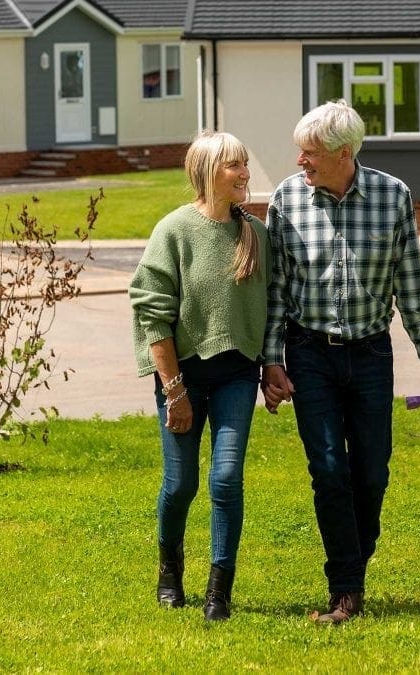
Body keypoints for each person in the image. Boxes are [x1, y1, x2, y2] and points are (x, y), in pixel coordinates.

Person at [261, 99, 420, 625]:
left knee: (371, 473)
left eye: (311, 153)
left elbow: (410, 283)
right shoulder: (286, 200)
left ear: (343, 153)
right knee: (328, 470)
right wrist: (271, 360)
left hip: (371, 352)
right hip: (308, 352)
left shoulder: (394, 198)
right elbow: (276, 288)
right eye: (300, 152)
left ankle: (354, 566)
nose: (301, 161)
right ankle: (345, 586)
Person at [129, 131, 270, 622]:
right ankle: (169, 571)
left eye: (245, 163)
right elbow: (151, 314)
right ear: (208, 171)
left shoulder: (256, 234)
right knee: (180, 484)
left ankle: (219, 591)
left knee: (227, 479)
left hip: (236, 377)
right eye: (235, 164)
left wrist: (271, 367)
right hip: (181, 379)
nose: (245, 173)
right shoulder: (173, 231)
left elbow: (271, 312)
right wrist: (174, 392)